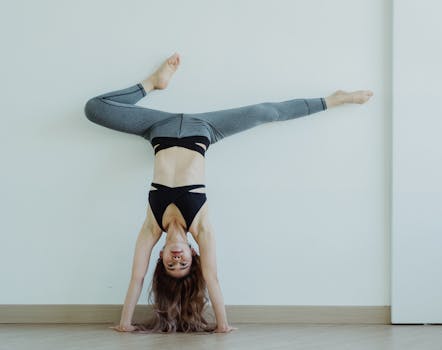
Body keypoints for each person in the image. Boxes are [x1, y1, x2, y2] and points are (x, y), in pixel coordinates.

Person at [83, 52, 373, 334]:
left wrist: (125, 323)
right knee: (265, 112)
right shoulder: (202, 228)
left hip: (158, 129)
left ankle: (153, 82)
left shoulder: (151, 228)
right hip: (205, 130)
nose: (177, 259)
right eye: (184, 264)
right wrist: (222, 324)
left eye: (171, 265)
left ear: (161, 258)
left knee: (94, 108)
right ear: (192, 254)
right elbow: (211, 278)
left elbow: (137, 277)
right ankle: (334, 99)